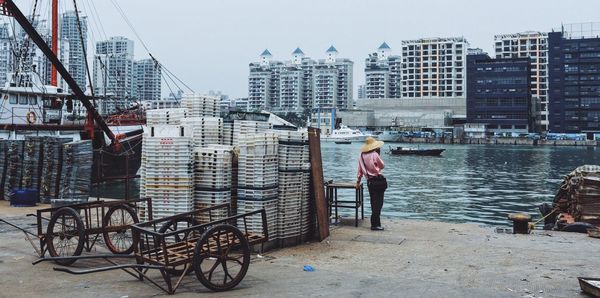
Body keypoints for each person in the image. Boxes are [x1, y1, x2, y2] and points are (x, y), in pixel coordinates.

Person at [356, 137, 387, 231]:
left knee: (373, 202)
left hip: (369, 182)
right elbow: (382, 166)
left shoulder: (361, 156)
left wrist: (358, 182)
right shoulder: (374, 154)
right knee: (379, 203)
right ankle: (375, 224)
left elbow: (359, 171)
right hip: (378, 180)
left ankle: (376, 223)